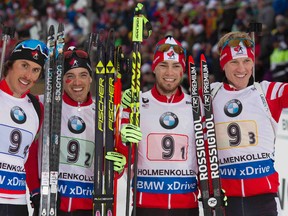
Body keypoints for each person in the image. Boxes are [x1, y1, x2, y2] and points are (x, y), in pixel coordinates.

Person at [37, 47, 126, 216]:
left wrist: (120, 163)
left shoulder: (104, 113)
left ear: (91, 78)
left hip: (88, 206)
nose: (77, 82)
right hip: (50, 204)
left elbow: (117, 158)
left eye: (83, 75)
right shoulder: (44, 104)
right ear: (61, 80)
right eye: (70, 76)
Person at [120, 36, 199, 216]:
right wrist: (123, 142)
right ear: (154, 68)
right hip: (146, 205)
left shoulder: (197, 106)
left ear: (182, 71)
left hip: (186, 206)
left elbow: (205, 157)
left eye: (176, 66)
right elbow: (124, 156)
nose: (169, 72)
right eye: (163, 65)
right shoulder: (135, 104)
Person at [212, 31, 288, 215]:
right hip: (224, 200)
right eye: (234, 62)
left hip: (263, 199)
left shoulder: (267, 91)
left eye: (246, 61)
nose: (241, 69)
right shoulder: (209, 95)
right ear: (223, 64)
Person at [0, 39, 48, 216]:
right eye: (24, 65)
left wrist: (35, 192)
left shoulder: (36, 107)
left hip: (17, 203)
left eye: (35, 70)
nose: (28, 76)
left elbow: (29, 154)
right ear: (10, 65)